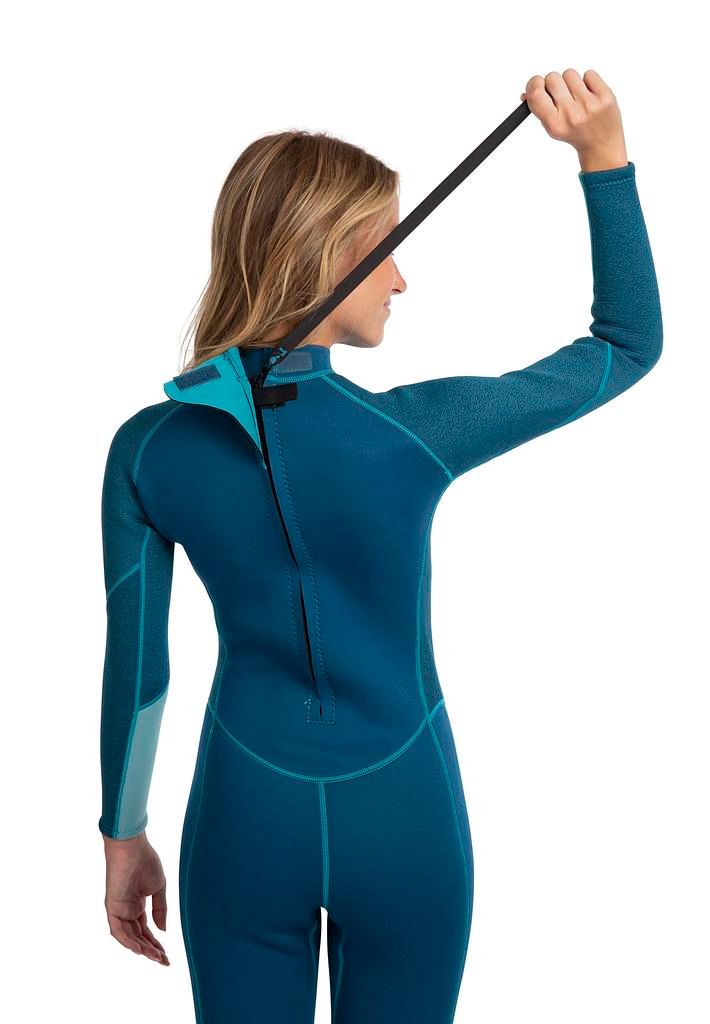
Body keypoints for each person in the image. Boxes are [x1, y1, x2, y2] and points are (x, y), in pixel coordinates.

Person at [98, 68, 662, 1023]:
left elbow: (140, 673)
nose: (402, 277)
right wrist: (603, 160)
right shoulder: (412, 434)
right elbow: (625, 344)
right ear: (328, 257)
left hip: (242, 824)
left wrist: (123, 836)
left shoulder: (148, 449)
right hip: (405, 818)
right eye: (389, 248)